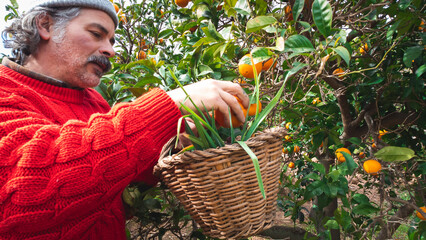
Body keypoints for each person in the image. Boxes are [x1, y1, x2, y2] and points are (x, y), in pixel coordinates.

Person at [0, 0, 249, 239]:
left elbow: (112, 170)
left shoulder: (93, 102)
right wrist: (166, 107)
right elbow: (27, 193)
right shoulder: (5, 91)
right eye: (97, 34)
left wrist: (178, 137)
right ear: (45, 25)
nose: (110, 49)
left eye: (111, 40)